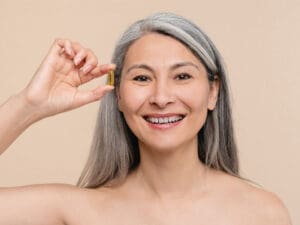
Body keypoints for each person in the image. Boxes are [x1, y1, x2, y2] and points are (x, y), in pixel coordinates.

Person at [0, 12, 292, 225]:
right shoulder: (76, 210)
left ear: (213, 91)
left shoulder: (263, 213)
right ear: (119, 95)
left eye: (182, 76)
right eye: (142, 77)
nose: (161, 97)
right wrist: (29, 104)